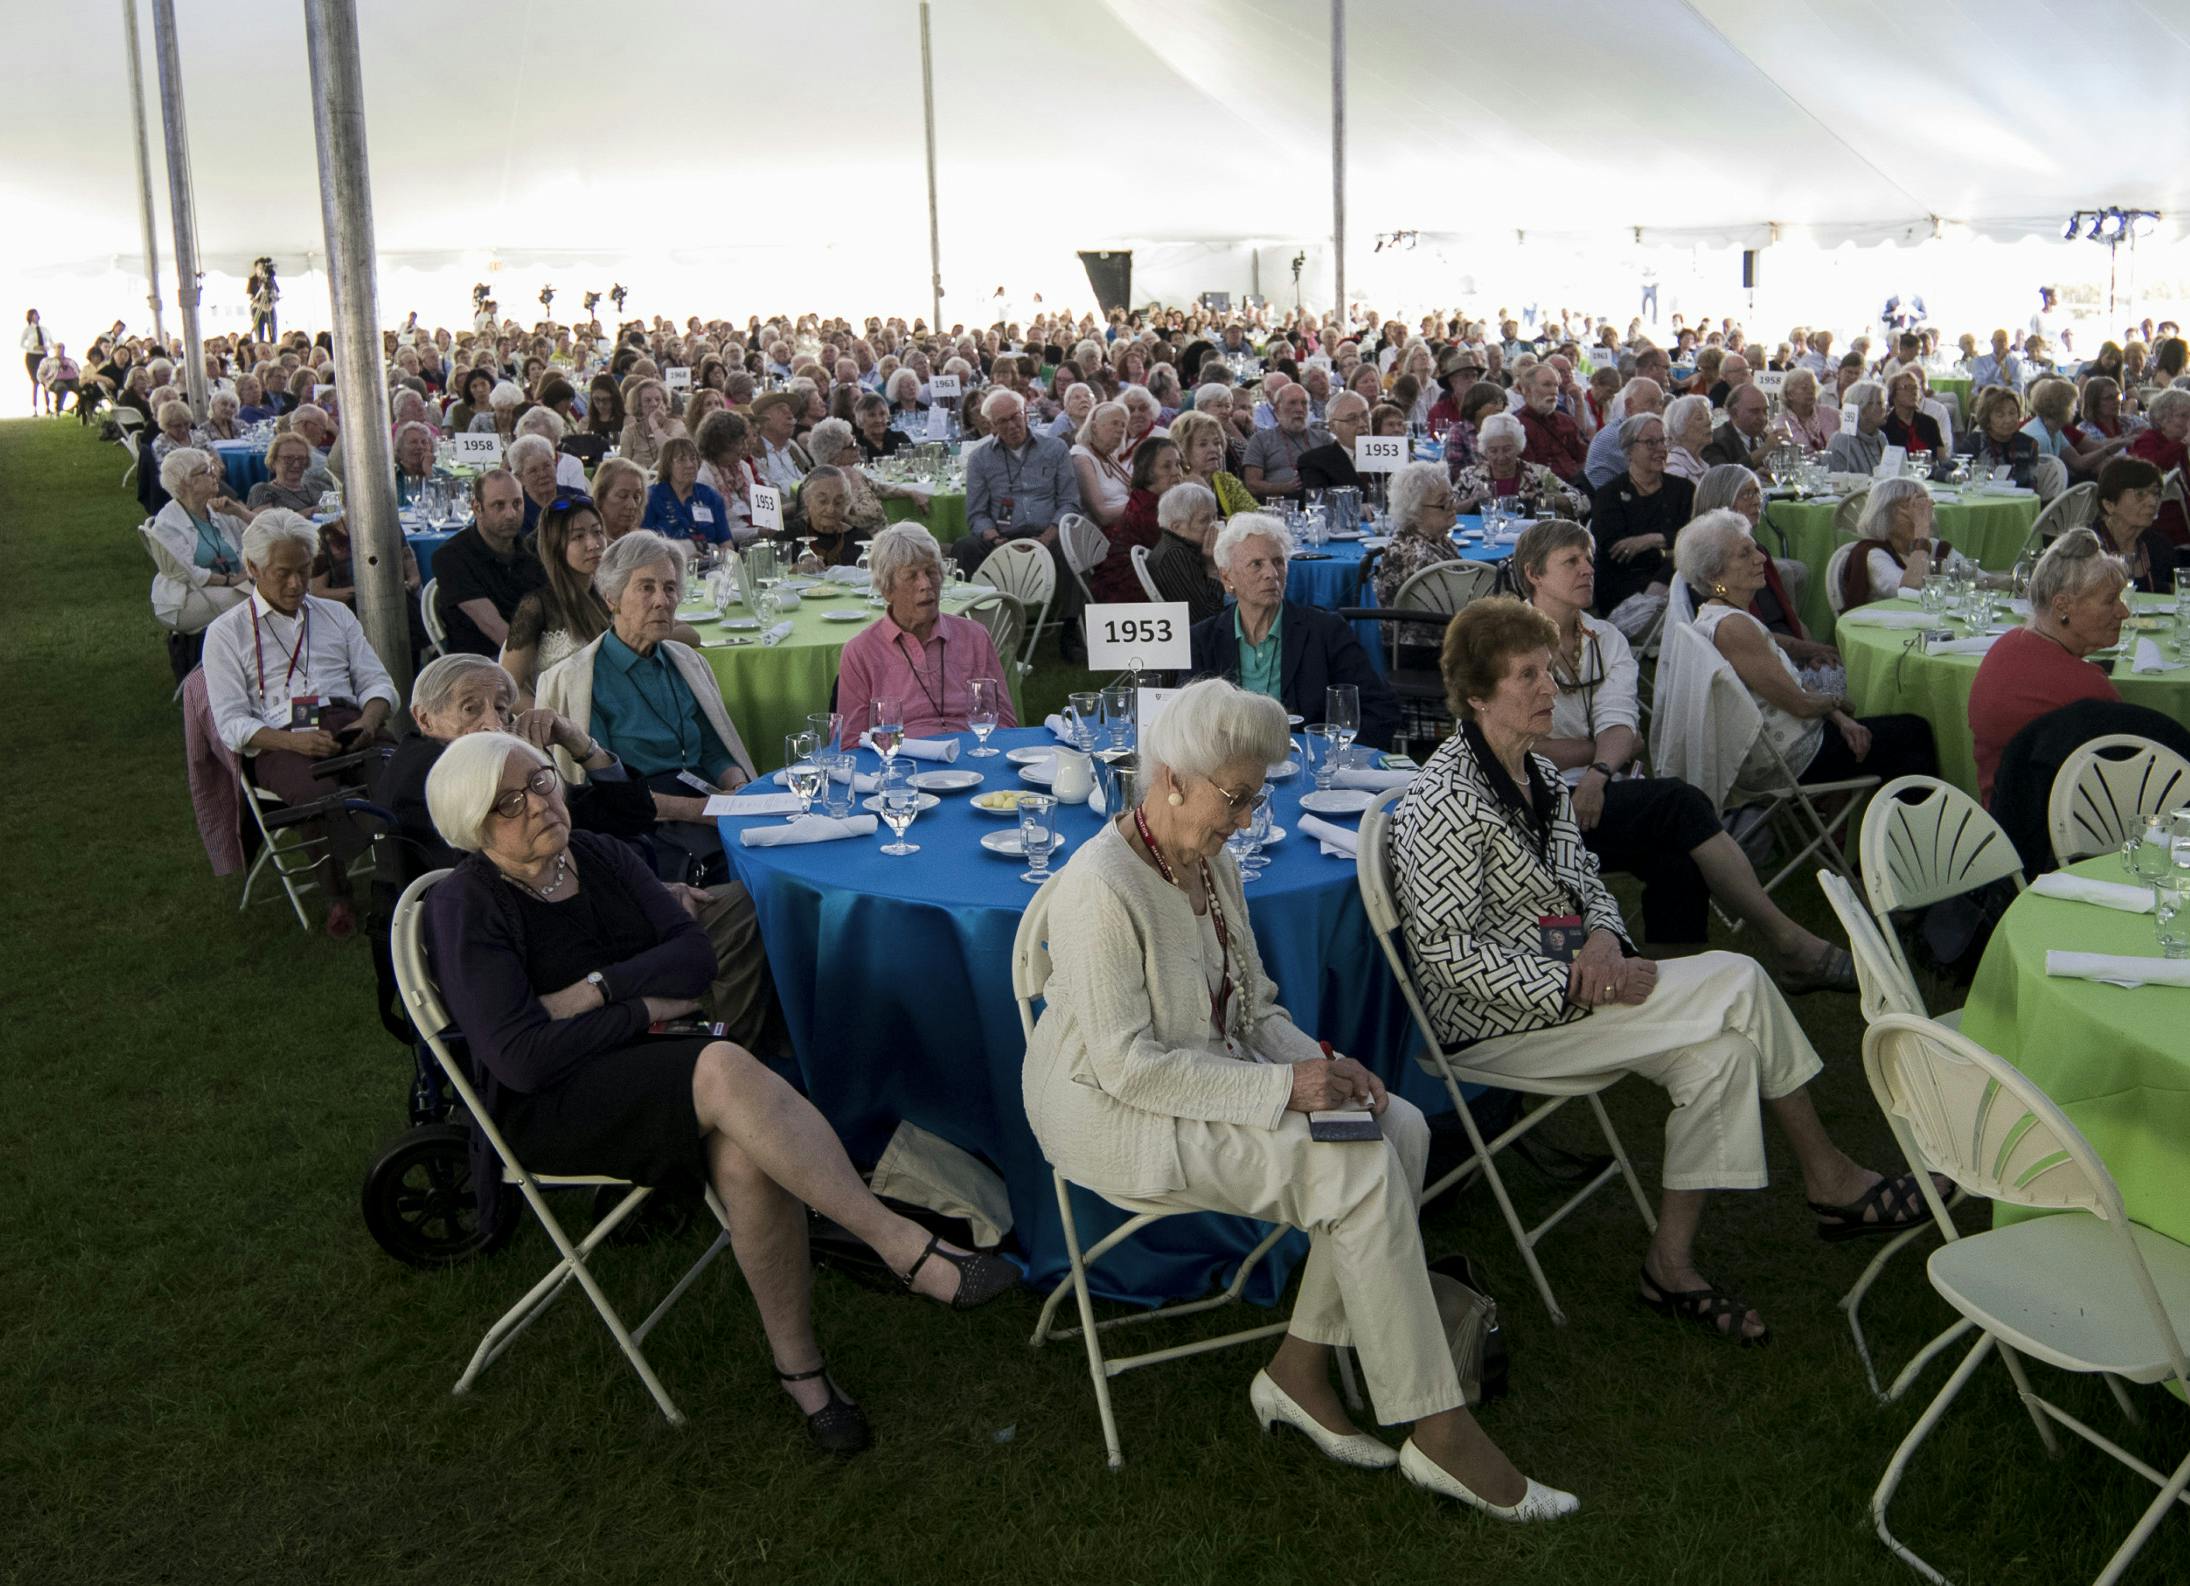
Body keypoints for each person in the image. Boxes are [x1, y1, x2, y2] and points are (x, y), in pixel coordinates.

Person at [1022, 676, 1572, 1518]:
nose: (1246, 820)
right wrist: (1286, 1087)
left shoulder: (1207, 863)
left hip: (1209, 1079)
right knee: (1352, 1171)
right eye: (1235, 799)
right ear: (1171, 779)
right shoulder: (1102, 885)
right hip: (1114, 1111)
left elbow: (1255, 1008)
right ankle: (1440, 1430)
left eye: (1255, 797)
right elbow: (1129, 1067)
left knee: (1405, 1128)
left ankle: (1298, 1371)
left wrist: (1324, 1062)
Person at [424, 731, 1013, 1456]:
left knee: (743, 1149)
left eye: (541, 781)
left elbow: (695, 955)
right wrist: (642, 1009)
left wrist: (598, 990)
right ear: (473, 827)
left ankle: (803, 1373)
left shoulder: (600, 855)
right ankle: (900, 1245)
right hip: (553, 1105)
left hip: (650, 1065)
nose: (539, 804)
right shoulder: (467, 906)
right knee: (724, 1067)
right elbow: (519, 1057)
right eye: (509, 803)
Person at [1391, 598, 1934, 1347]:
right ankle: (1832, 1179)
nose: (1549, 689)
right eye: (1527, 677)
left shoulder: (1537, 774)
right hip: (1494, 1023)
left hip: (1574, 986)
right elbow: (1446, 953)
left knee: (1719, 1053)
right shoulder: (1445, 799)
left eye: (1548, 671)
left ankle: (1669, 1267)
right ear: (1478, 696)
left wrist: (1609, 944)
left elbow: (1587, 884)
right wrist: (1575, 981)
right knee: (1738, 979)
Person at [1512, 523, 1852, 987]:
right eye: (1571, 561)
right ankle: (1791, 944)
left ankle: (1672, 981)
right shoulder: (1508, 642)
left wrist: (1595, 770)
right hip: (1531, 808)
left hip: (1598, 794)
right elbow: (1520, 745)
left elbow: (1623, 725)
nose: (1588, 569)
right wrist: (1603, 755)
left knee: (1679, 856)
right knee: (1679, 803)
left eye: (1588, 558)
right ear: (1533, 574)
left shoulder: (1604, 637)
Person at [390, 655, 780, 1051]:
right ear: (425, 718)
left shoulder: (506, 773)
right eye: (471, 708)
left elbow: (626, 813)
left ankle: (729, 1043)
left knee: (741, 904)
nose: (493, 723)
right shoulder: (432, 780)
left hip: (593, 898)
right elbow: (492, 878)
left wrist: (579, 742)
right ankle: (725, 1049)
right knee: (731, 916)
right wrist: (648, 892)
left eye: (503, 709)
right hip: (548, 946)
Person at [201, 511, 399, 937]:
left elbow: (377, 682)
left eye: (304, 571)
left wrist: (368, 720)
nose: (295, 584)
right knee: (318, 792)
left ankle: (399, 873)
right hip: (281, 738)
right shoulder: (226, 633)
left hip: (347, 720)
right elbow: (231, 723)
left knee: (396, 769)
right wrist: (294, 744)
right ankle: (341, 890)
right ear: (252, 569)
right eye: (282, 573)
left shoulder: (334, 616)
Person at [536, 530, 754, 885]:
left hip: (705, 802)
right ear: (611, 598)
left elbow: (715, 749)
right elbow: (603, 791)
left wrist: (737, 788)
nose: (662, 601)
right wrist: (703, 811)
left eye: (670, 588)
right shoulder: (580, 679)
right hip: (641, 823)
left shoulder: (686, 662)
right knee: (732, 876)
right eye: (646, 587)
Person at [1677, 512, 1937, 791]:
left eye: (1754, 547)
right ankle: (1912, 831)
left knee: (1883, 731)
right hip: (1787, 758)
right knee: (1913, 732)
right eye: (1744, 554)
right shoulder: (1733, 627)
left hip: (1783, 742)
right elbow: (1800, 704)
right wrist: (1839, 703)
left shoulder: (1715, 613)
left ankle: (1871, 824)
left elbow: (1793, 689)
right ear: (1715, 574)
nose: (1761, 557)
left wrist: (1840, 719)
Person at [1188, 514, 1399, 748]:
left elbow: (1380, 710)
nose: (1272, 573)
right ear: (1227, 577)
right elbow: (1186, 721)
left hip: (1310, 765)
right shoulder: (1202, 641)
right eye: (1256, 564)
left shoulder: (1326, 632)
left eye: (1278, 561)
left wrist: (1328, 753)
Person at [1967, 528, 2136, 805]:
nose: (2123, 612)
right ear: (2062, 607)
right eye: (2110, 600)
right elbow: (2130, 774)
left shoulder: (2005, 648)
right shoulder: (2085, 686)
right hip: (2062, 835)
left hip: (2000, 822)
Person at [835, 524, 1015, 737]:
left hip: (972, 757)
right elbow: (852, 742)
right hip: (902, 762)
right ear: (887, 590)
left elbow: (1004, 722)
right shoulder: (861, 652)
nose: (926, 584)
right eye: (911, 576)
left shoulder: (974, 637)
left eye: (931, 572)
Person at [501, 496, 614, 704]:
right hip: (561, 719)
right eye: (578, 537)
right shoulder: (538, 607)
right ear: (557, 547)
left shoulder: (612, 595)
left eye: (597, 532)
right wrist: (553, 721)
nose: (593, 544)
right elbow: (509, 687)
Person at [1589, 413, 1692, 633]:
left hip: (1677, 578)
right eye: (1650, 442)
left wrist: (1653, 540)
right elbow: (1616, 551)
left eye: (1663, 441)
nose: (1660, 449)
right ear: (1628, 451)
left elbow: (1696, 537)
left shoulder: (1683, 490)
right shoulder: (1610, 495)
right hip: (1625, 585)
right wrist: (1672, 550)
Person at [434, 469, 546, 658]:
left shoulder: (533, 549)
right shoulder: (451, 556)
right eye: (499, 505)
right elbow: (493, 626)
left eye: (517, 503)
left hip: (535, 650)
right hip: (480, 662)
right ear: (477, 508)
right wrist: (542, 664)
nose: (511, 514)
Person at [1372, 463, 1467, 651]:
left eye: (1452, 498)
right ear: (1415, 510)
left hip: (1444, 639)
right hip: (1425, 649)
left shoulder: (1435, 539)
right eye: (1443, 503)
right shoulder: (1415, 553)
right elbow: (1453, 610)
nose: (1452, 506)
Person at [1093, 437, 1180, 604]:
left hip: (1145, 580)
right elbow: (1174, 558)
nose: (1177, 472)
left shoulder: (1149, 499)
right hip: (1128, 594)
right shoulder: (1148, 511)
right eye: (1166, 466)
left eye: (1178, 464)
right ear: (1147, 471)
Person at [1450, 413, 1585, 520]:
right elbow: (1447, 510)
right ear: (1484, 451)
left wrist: (1544, 498)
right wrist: (1472, 501)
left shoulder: (1537, 474)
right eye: (1493, 450)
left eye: (1507, 449)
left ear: (1519, 447)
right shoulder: (1471, 475)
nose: (1501, 457)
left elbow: (1582, 503)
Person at [2091, 456, 2177, 593]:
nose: (2152, 502)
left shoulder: (2159, 546)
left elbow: (2178, 590)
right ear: (2109, 504)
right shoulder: (2088, 548)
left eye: (2155, 493)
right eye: (2140, 494)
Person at [1145, 481, 1225, 622]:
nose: (1213, 525)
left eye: (1214, 517)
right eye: (1204, 520)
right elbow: (1207, 617)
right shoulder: (1175, 555)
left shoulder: (1188, 547)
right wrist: (1212, 568)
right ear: (1177, 527)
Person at [1241, 383, 1330, 502]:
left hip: (1319, 504)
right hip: (1278, 507)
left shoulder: (1323, 438)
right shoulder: (1261, 440)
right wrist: (1284, 488)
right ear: (1277, 409)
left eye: (1304, 403)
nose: (1299, 409)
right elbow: (1252, 484)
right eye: (1292, 403)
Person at [641, 436, 731, 554]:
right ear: (668, 465)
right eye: (681, 459)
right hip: (669, 565)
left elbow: (726, 544)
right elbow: (643, 543)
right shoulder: (652, 497)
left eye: (693, 458)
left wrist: (715, 557)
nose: (690, 465)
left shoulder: (710, 496)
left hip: (709, 565)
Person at [2125, 387, 2189, 547]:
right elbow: (2151, 470)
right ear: (2162, 419)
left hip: (2183, 518)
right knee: (2182, 568)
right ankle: (2183, 573)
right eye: (2183, 416)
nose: (2189, 421)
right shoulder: (2148, 440)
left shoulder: (2177, 443)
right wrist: (2183, 443)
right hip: (2163, 524)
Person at [1171, 408, 1258, 517]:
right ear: (1183, 449)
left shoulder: (1226, 481)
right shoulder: (1176, 485)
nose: (1214, 449)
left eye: (1217, 443)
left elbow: (1256, 515)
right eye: (1203, 444)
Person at [1513, 365, 1589, 486]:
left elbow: (1583, 457)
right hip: (1542, 491)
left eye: (1556, 385)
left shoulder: (1566, 421)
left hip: (1576, 488)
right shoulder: (1516, 426)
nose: (1554, 391)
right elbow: (1527, 472)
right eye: (1547, 385)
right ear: (1527, 390)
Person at [1070, 400, 1135, 528]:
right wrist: (1140, 505)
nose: (1121, 430)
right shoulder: (1081, 458)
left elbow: (1133, 491)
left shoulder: (1108, 456)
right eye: (1115, 423)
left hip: (1126, 525)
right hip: (1102, 534)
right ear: (1094, 427)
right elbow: (1102, 515)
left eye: (1123, 425)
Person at [247, 430, 336, 514]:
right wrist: (312, 512)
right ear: (273, 461)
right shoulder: (263, 490)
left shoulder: (318, 486)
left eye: (301, 459)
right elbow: (267, 524)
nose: (296, 465)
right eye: (288, 458)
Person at [1295, 391, 1368, 493]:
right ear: (1333, 427)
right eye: (1352, 419)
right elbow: (1319, 503)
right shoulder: (1315, 462)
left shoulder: (1387, 453)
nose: (1362, 423)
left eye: (1365, 416)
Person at [617, 377, 685, 472]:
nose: (654, 404)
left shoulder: (676, 426)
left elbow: (670, 450)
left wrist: (653, 424)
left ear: (664, 403)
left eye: (658, 399)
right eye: (648, 400)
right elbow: (624, 466)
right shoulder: (630, 432)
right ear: (639, 406)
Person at [750, 391, 813, 493]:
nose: (790, 415)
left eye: (790, 410)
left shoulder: (793, 448)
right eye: (781, 409)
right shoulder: (753, 452)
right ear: (763, 421)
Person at [1882, 370, 1948, 466]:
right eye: (1906, 388)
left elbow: (1942, 459)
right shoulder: (1885, 426)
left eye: (1916, 388)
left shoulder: (1929, 423)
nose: (1913, 392)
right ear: (1893, 394)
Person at [1700, 384, 1772, 472]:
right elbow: (1723, 475)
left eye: (1765, 411)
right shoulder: (1714, 441)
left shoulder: (1764, 437)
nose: (1763, 417)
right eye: (1755, 411)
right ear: (1734, 413)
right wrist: (1763, 450)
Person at [1825, 381, 1888, 475]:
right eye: (1880, 403)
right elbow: (1839, 483)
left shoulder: (1880, 437)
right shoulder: (1842, 440)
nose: (1884, 409)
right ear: (1863, 409)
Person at [1776, 368, 1839, 454]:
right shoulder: (1781, 423)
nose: (1810, 391)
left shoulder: (1832, 414)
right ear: (1790, 394)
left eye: (1813, 387)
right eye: (1804, 388)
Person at [593, 456, 650, 544]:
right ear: (601, 497)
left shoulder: (644, 543)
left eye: (636, 497)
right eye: (622, 496)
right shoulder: (589, 546)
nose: (632, 505)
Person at [1661, 393, 1713, 482]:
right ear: (1680, 428)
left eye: (1709, 416)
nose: (1709, 422)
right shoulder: (1675, 471)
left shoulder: (1702, 464)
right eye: (1699, 418)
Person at [444, 369, 495, 436]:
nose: (480, 389)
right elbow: (460, 438)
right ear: (469, 390)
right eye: (474, 386)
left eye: (483, 384)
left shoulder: (499, 409)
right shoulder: (459, 411)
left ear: (490, 386)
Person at [21, 309, 51, 415]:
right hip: (32, 357)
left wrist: (45, 347)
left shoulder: (44, 329)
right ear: (29, 317)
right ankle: (35, 408)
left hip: (43, 356)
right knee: (35, 382)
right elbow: (22, 344)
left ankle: (48, 407)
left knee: (45, 381)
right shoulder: (28, 330)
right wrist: (33, 347)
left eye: (36, 315)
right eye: (33, 315)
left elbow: (51, 342)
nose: (35, 317)